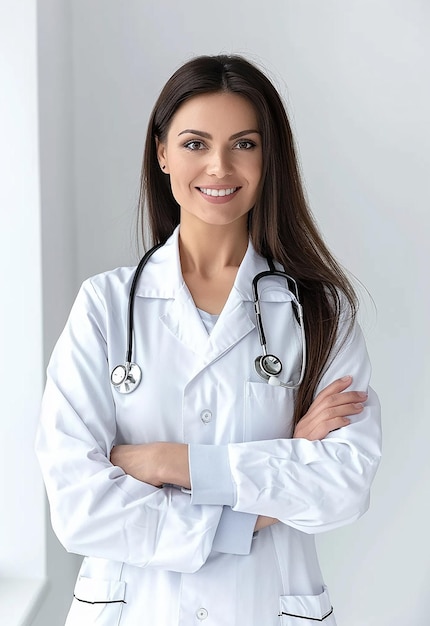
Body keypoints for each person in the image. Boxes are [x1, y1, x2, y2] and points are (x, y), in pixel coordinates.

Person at [36, 54, 381, 626]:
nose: (219, 167)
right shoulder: (104, 307)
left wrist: (171, 462)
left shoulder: (318, 312)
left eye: (243, 144)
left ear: (270, 158)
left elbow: (342, 486)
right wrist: (274, 479)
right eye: (195, 143)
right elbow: (78, 506)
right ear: (163, 153)